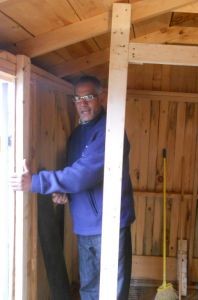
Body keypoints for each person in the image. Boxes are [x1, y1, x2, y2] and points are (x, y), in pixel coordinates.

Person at [10, 76, 135, 300]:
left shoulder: (110, 131)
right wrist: (65, 193)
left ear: (102, 97)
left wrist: (35, 182)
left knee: (113, 292)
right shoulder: (77, 135)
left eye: (88, 97)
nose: (82, 104)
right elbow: (75, 174)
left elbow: (83, 175)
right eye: (78, 99)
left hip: (110, 223)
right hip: (84, 225)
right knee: (88, 288)